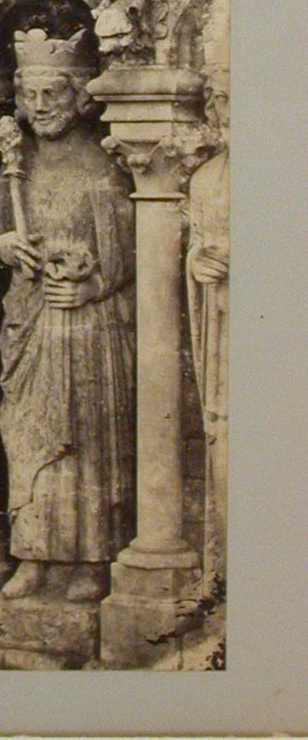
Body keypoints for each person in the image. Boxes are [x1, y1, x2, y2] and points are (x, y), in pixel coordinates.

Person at [0, 26, 135, 604]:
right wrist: (8, 247)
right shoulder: (18, 167)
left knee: (86, 443)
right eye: (30, 95)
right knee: (29, 435)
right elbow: (1, 233)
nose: (40, 105)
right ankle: (32, 556)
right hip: (31, 322)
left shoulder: (104, 167)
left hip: (87, 329)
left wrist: (94, 285)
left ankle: (91, 560)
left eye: (52, 93)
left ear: (79, 95)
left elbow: (133, 257)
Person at [187, 62, 229, 580]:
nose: (227, 112)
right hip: (224, 331)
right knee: (224, 431)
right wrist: (197, 262)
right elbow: (196, 247)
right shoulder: (207, 180)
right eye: (220, 102)